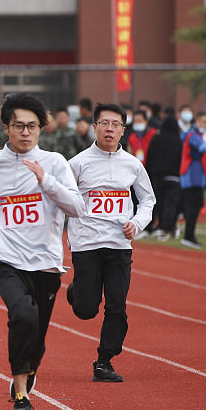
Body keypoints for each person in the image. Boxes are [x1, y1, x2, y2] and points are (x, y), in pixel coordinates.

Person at [0, 93, 83, 410]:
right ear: (7, 128)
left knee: (37, 338)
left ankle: (27, 371)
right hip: (7, 259)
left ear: (41, 129)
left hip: (46, 264)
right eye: (18, 126)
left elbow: (77, 207)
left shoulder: (55, 163)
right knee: (22, 315)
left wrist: (46, 182)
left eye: (32, 126)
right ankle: (22, 398)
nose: (25, 132)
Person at [66, 103, 156, 383]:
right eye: (104, 123)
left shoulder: (132, 165)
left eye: (115, 124)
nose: (109, 129)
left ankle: (104, 361)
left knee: (117, 306)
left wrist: (137, 223)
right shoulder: (77, 163)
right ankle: (76, 291)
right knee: (85, 309)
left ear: (122, 130)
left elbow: (148, 200)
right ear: (94, 127)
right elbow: (62, 199)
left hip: (119, 246)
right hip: (86, 245)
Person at [179, 112, 206, 248]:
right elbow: (202, 146)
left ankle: (189, 235)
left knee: (194, 206)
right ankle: (189, 236)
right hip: (192, 177)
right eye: (204, 122)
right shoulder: (193, 135)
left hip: (195, 177)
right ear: (197, 122)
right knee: (193, 207)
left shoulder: (193, 135)